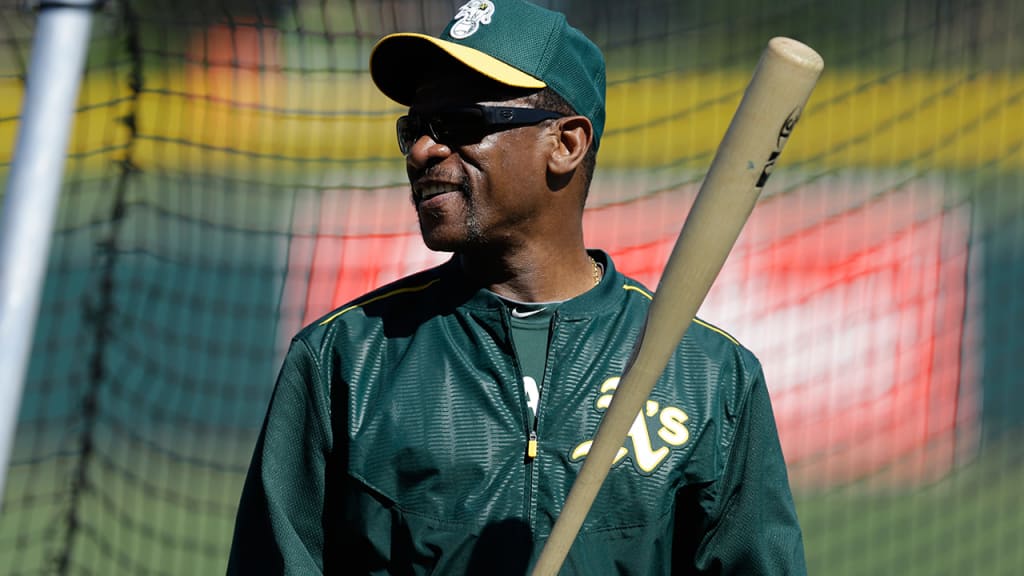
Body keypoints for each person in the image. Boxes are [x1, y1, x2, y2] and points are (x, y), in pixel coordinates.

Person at [227, 0, 806, 574]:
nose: (425, 150)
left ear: (566, 144)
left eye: (460, 125)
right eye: (415, 129)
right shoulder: (343, 359)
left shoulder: (708, 375)